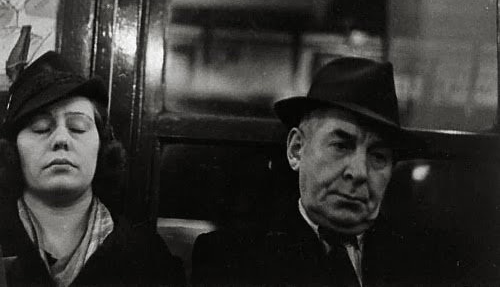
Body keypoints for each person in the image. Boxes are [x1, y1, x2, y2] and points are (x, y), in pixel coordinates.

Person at [192, 57, 454, 286]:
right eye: (341, 146)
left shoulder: (430, 263)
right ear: (296, 150)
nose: (359, 173)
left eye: (378, 156)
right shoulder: (231, 258)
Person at [0, 51, 183, 287]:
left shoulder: (150, 258)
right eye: (40, 128)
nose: (61, 139)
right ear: (11, 151)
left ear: (103, 148)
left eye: (77, 127)